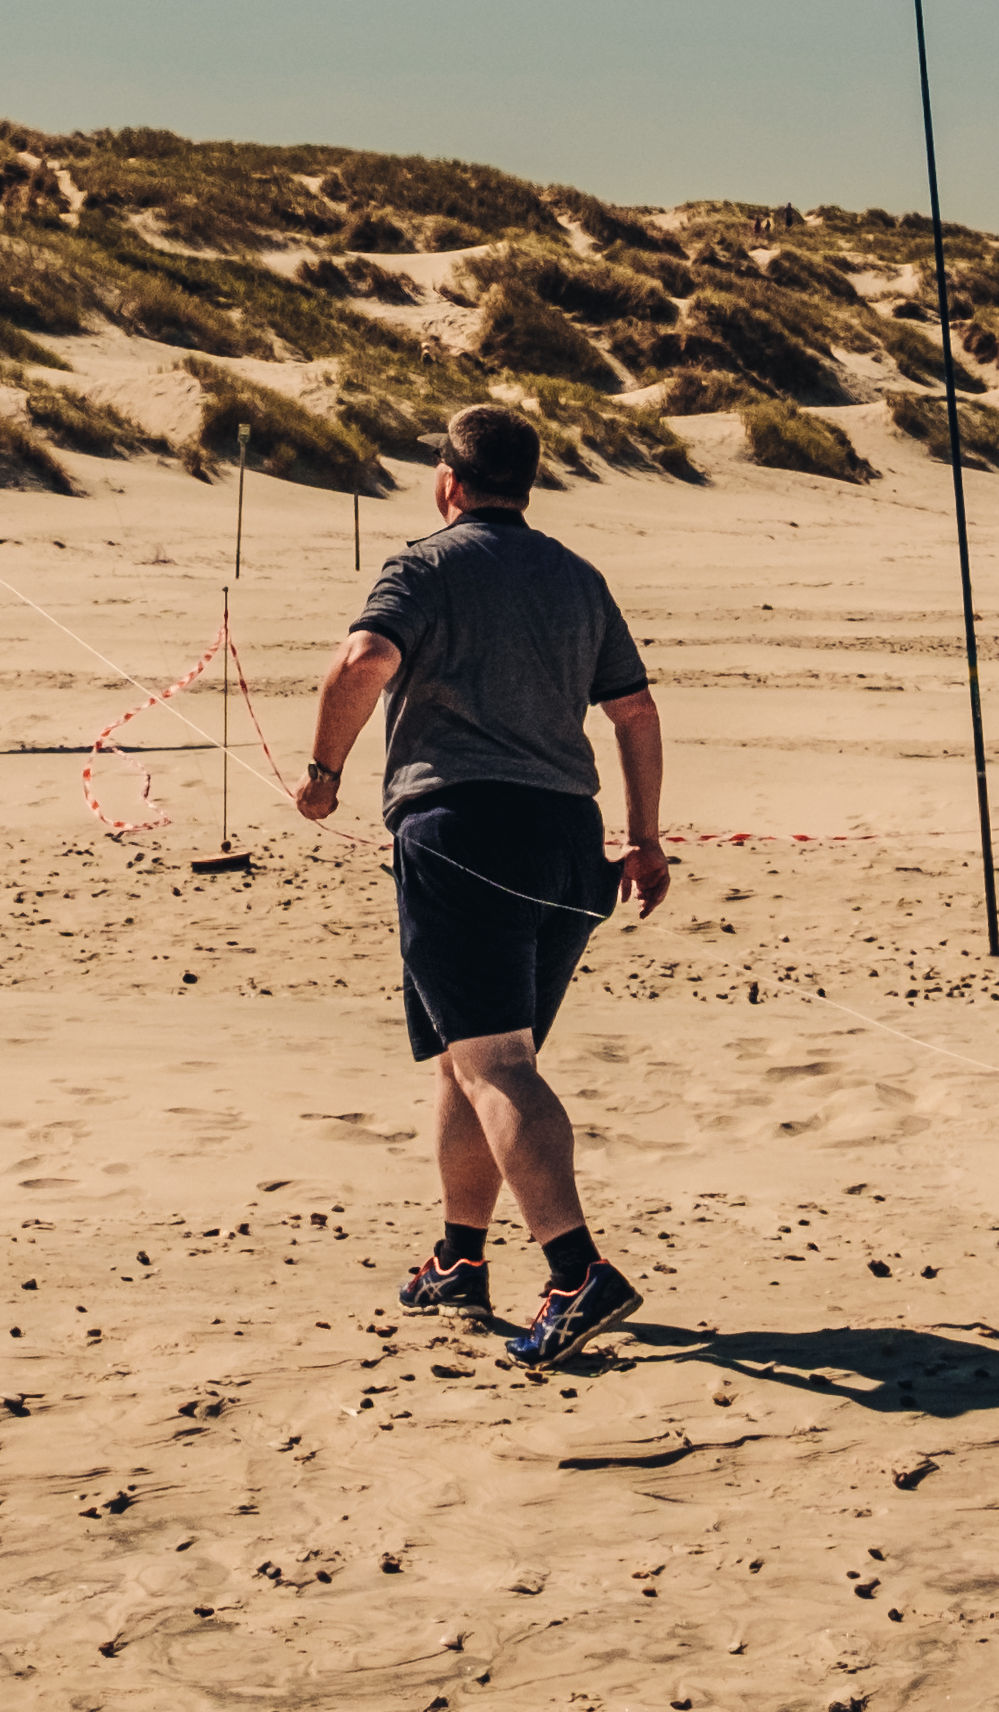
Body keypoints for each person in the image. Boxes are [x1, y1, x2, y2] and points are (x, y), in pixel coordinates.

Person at [297, 405, 667, 1370]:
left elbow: (363, 659)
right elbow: (632, 710)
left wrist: (324, 773)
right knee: (470, 1054)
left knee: (497, 1061)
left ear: (449, 481)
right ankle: (461, 1256)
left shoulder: (423, 565)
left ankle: (577, 1269)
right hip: (564, 839)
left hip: (464, 830)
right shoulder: (576, 575)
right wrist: (645, 840)